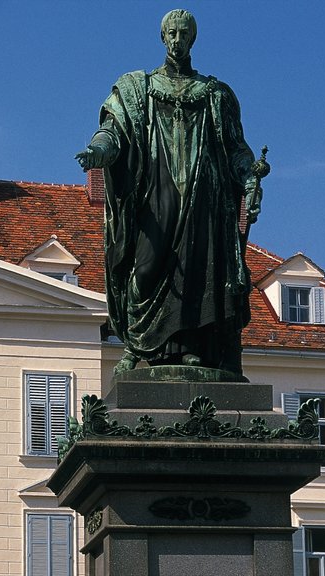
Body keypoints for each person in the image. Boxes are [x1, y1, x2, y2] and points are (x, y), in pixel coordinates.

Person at [76, 9, 263, 377]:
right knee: (144, 267)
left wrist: (250, 178)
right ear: (163, 38)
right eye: (172, 34)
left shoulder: (215, 94)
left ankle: (190, 347)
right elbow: (113, 130)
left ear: (193, 39)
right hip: (155, 188)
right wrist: (99, 152)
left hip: (203, 195)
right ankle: (134, 343)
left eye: (184, 35)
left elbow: (237, 149)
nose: (178, 41)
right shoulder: (137, 87)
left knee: (196, 271)